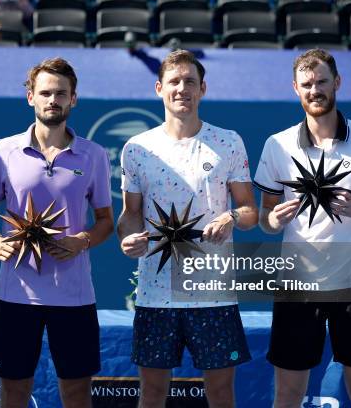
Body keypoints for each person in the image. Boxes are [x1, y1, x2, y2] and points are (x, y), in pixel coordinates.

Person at [253, 48, 351, 408]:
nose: (315, 89)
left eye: (322, 81)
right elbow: (266, 219)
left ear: (337, 82)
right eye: (307, 84)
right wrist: (276, 219)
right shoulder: (278, 145)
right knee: (288, 394)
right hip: (296, 287)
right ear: (295, 88)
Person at [117, 49, 258, 408]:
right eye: (175, 82)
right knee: (151, 394)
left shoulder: (229, 142)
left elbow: (249, 211)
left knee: (222, 394)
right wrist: (127, 237)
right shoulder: (136, 148)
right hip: (154, 292)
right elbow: (130, 213)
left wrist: (231, 217)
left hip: (214, 292)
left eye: (190, 82)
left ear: (203, 89)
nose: (182, 88)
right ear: (159, 88)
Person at [0, 57, 114, 408]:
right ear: (30, 97)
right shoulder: (1, 151)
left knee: (77, 393)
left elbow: (105, 220)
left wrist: (81, 240)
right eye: (46, 92)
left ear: (73, 99)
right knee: (14, 393)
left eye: (61, 94)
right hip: (16, 297)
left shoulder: (94, 155)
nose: (54, 100)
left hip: (75, 298)